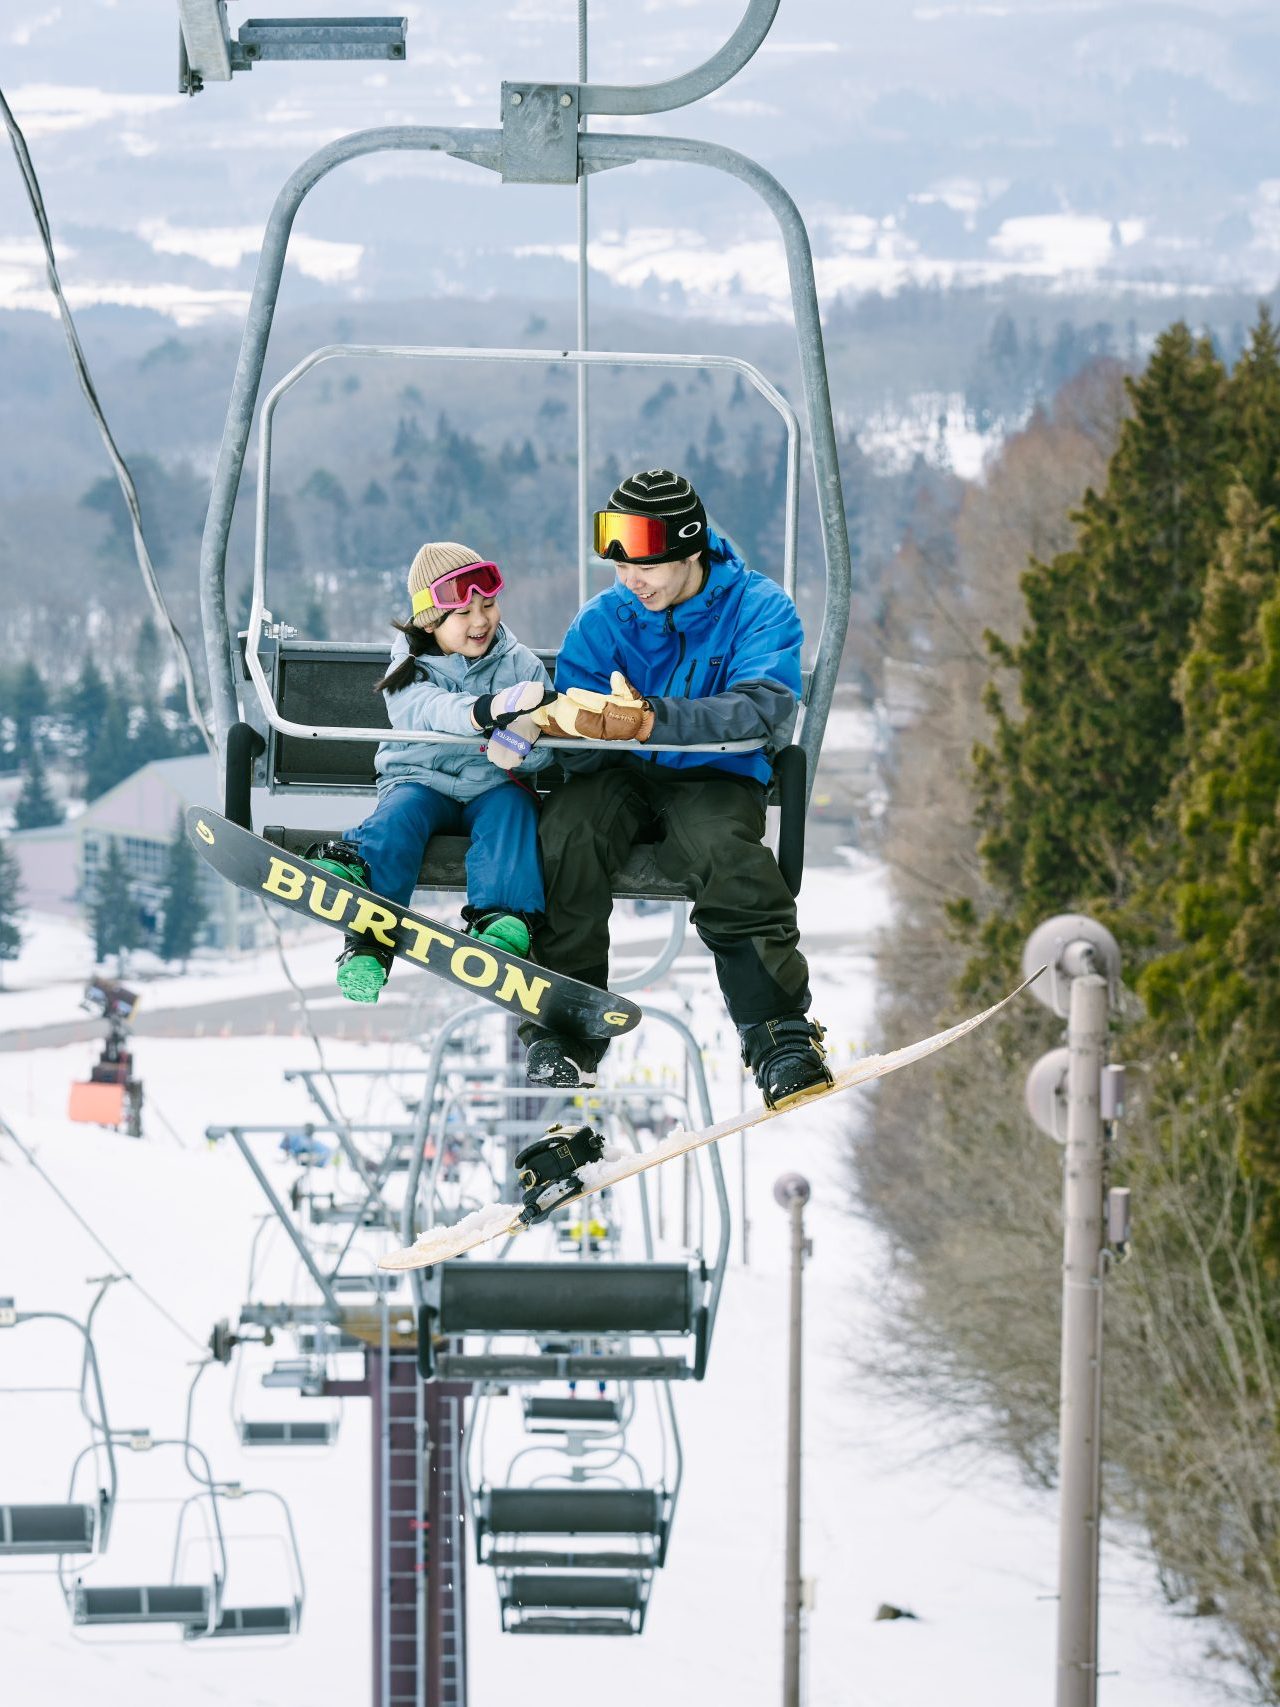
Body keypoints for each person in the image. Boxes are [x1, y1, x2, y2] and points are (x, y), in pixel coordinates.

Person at [520, 468, 831, 1112]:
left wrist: (656, 719)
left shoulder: (757, 608)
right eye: (620, 564)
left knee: (724, 853)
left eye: (647, 566)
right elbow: (575, 717)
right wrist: (577, 730)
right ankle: (565, 1027)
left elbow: (762, 708)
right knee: (568, 834)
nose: (632, 579)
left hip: (716, 774)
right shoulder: (604, 621)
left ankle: (777, 1033)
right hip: (620, 775)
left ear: (690, 551)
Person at [308, 541, 555, 1003]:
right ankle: (366, 931)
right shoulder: (409, 666)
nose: (481, 621)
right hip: (421, 779)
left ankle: (501, 919)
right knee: (400, 817)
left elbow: (549, 737)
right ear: (430, 621)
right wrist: (487, 709)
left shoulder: (522, 665)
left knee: (514, 813)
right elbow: (424, 710)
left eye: (488, 605)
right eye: (463, 613)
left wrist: (523, 750)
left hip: (493, 785)